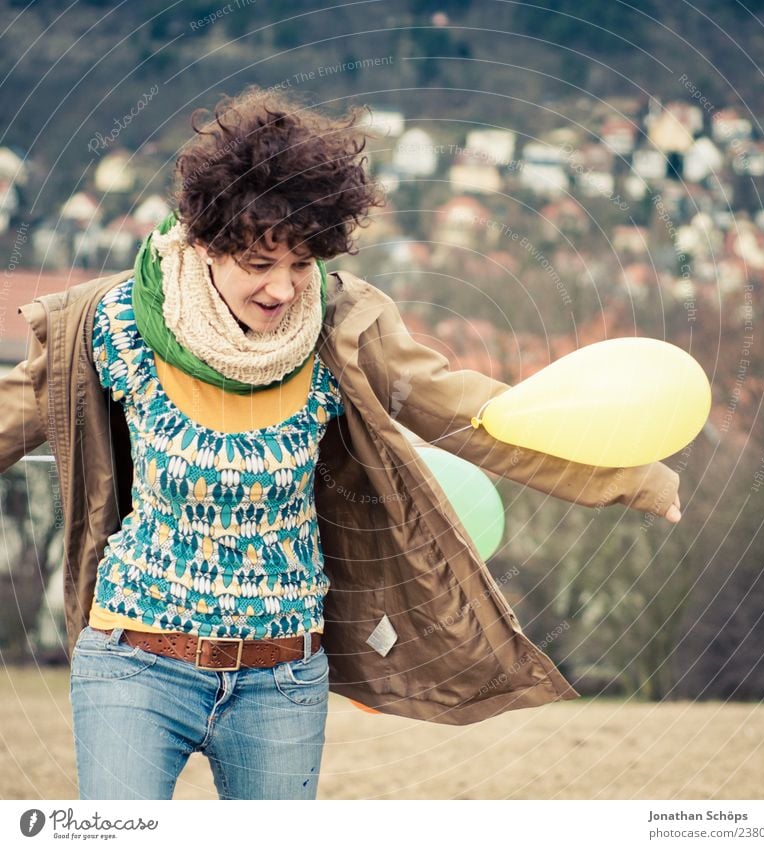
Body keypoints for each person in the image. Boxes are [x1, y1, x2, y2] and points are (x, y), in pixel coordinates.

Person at [2, 85, 681, 801]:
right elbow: (13, 411)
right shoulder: (113, 322)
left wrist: (630, 474)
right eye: (257, 264)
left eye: (303, 263)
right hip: (133, 663)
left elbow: (468, 411)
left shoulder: (341, 325)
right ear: (203, 241)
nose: (284, 288)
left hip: (283, 680)